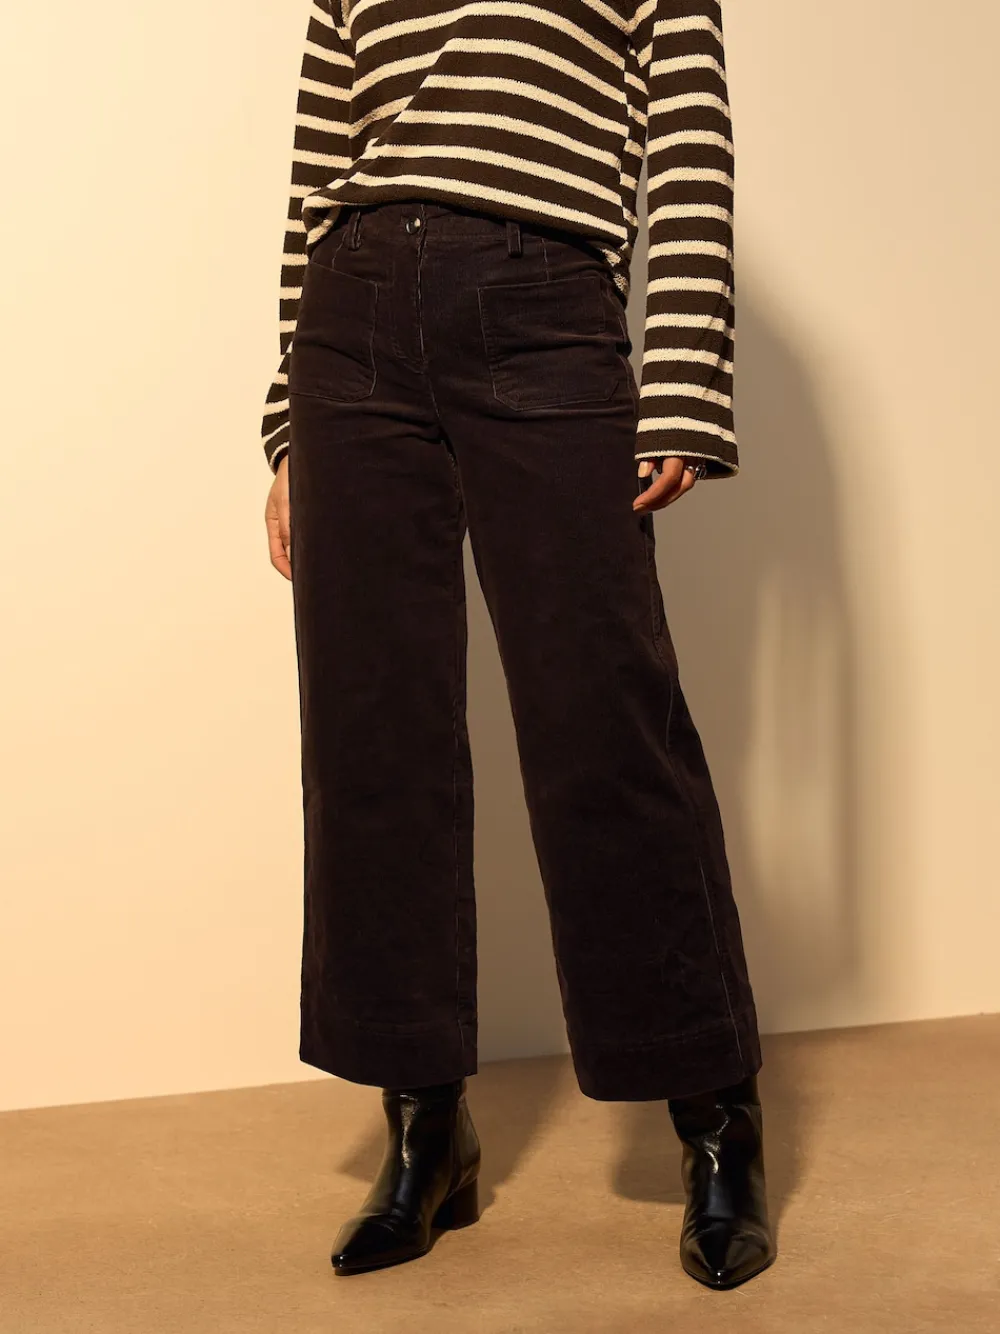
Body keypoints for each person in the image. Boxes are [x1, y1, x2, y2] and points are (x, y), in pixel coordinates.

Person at [261, 0, 776, 1291]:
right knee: (372, 735)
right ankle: (424, 1130)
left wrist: (682, 379)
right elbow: (320, 167)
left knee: (605, 723)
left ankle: (718, 1122)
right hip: (351, 327)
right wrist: (286, 421)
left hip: (546, 305)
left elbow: (690, 148)